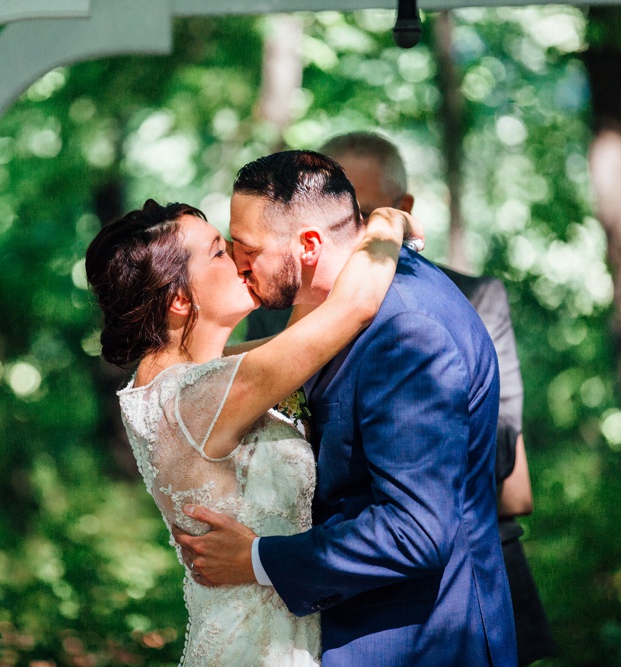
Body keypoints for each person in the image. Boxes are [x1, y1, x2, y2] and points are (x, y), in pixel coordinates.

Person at [175, 151, 516, 666]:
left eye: (248, 249)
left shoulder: (406, 332)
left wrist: (257, 559)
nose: (240, 264)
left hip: (416, 640)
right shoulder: (339, 302)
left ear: (309, 245)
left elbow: (416, 532)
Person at [85, 198, 420, 665]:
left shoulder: (164, 386)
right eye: (220, 252)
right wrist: (388, 219)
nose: (242, 259)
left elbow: (302, 341)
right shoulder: (199, 396)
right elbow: (354, 307)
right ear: (180, 299)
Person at [320, 130, 557, 665]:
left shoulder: (470, 298)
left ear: (401, 209)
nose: (346, 230)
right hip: (329, 583)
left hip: (462, 583)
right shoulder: (283, 308)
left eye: (361, 209)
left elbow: (498, 457)